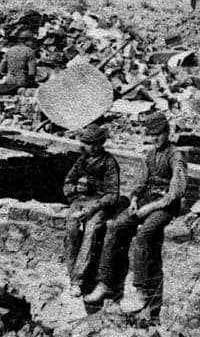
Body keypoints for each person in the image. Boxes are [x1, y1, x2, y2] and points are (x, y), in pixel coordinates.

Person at [85, 112, 187, 316]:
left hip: (165, 205)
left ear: (168, 133)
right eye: (152, 135)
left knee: (145, 234)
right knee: (115, 226)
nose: (155, 138)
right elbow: (140, 183)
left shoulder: (176, 156)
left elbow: (176, 191)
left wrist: (150, 208)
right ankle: (105, 282)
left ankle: (141, 290)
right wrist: (133, 200)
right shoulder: (150, 155)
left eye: (159, 134)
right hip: (145, 199)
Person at [63, 124, 123, 297]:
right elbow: (67, 185)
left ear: (102, 143)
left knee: (91, 231)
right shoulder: (82, 160)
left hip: (98, 204)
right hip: (80, 201)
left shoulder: (109, 162)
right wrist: (77, 189)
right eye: (89, 144)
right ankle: (73, 277)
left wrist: (93, 208)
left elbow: (112, 194)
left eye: (96, 143)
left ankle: (78, 280)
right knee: (72, 229)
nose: (93, 147)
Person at [0, 28, 38, 94]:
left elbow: (1, 68)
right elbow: (31, 73)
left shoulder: (10, 50)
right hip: (21, 83)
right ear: (27, 40)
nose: (33, 43)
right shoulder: (29, 51)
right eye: (32, 41)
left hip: (9, 81)